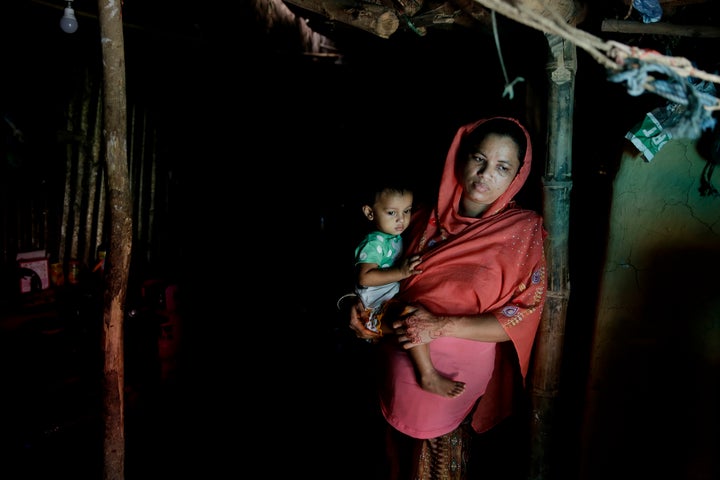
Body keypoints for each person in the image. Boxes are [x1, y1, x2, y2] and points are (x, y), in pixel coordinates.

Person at [344, 116, 547, 479]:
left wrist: (439, 326)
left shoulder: (522, 231)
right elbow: (377, 275)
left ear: (517, 176)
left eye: (502, 167)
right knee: (390, 461)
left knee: (436, 466)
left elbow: (522, 315)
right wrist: (356, 308)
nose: (486, 174)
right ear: (461, 157)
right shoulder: (420, 217)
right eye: (478, 159)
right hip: (393, 363)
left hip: (452, 376)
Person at [353, 181, 466, 399]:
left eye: (406, 211)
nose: (401, 219)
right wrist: (402, 272)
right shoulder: (374, 242)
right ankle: (428, 375)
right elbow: (364, 277)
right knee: (411, 318)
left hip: (386, 305)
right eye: (391, 212)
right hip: (371, 311)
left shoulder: (392, 237)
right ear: (369, 212)